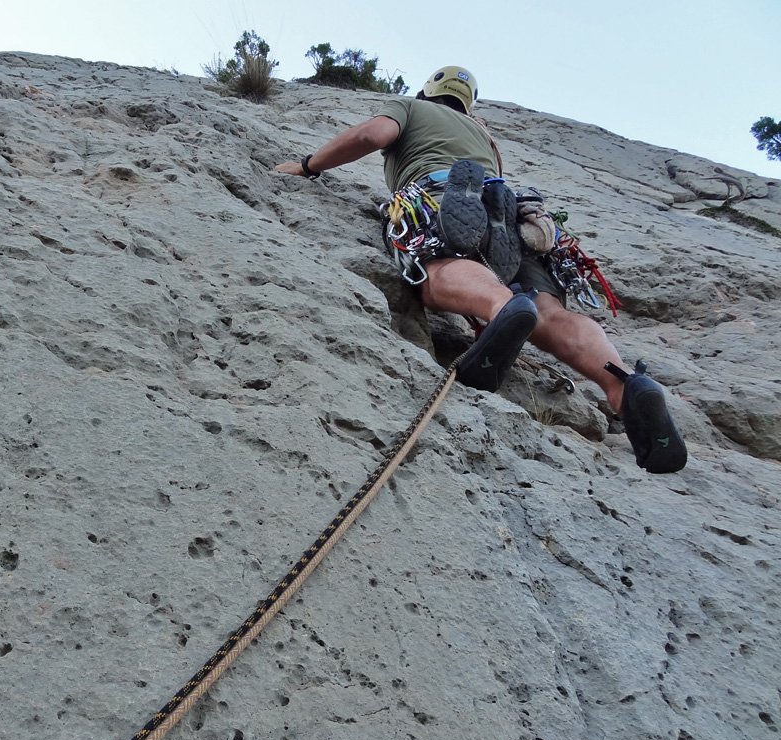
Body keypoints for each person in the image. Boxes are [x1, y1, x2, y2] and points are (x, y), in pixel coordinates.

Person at [275, 66, 686, 473]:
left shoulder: (411, 107)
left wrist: (308, 165)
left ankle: (500, 305)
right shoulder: (482, 134)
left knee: (438, 266)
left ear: (427, 92)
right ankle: (623, 383)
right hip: (511, 214)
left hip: (439, 196)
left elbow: (372, 136)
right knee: (549, 314)